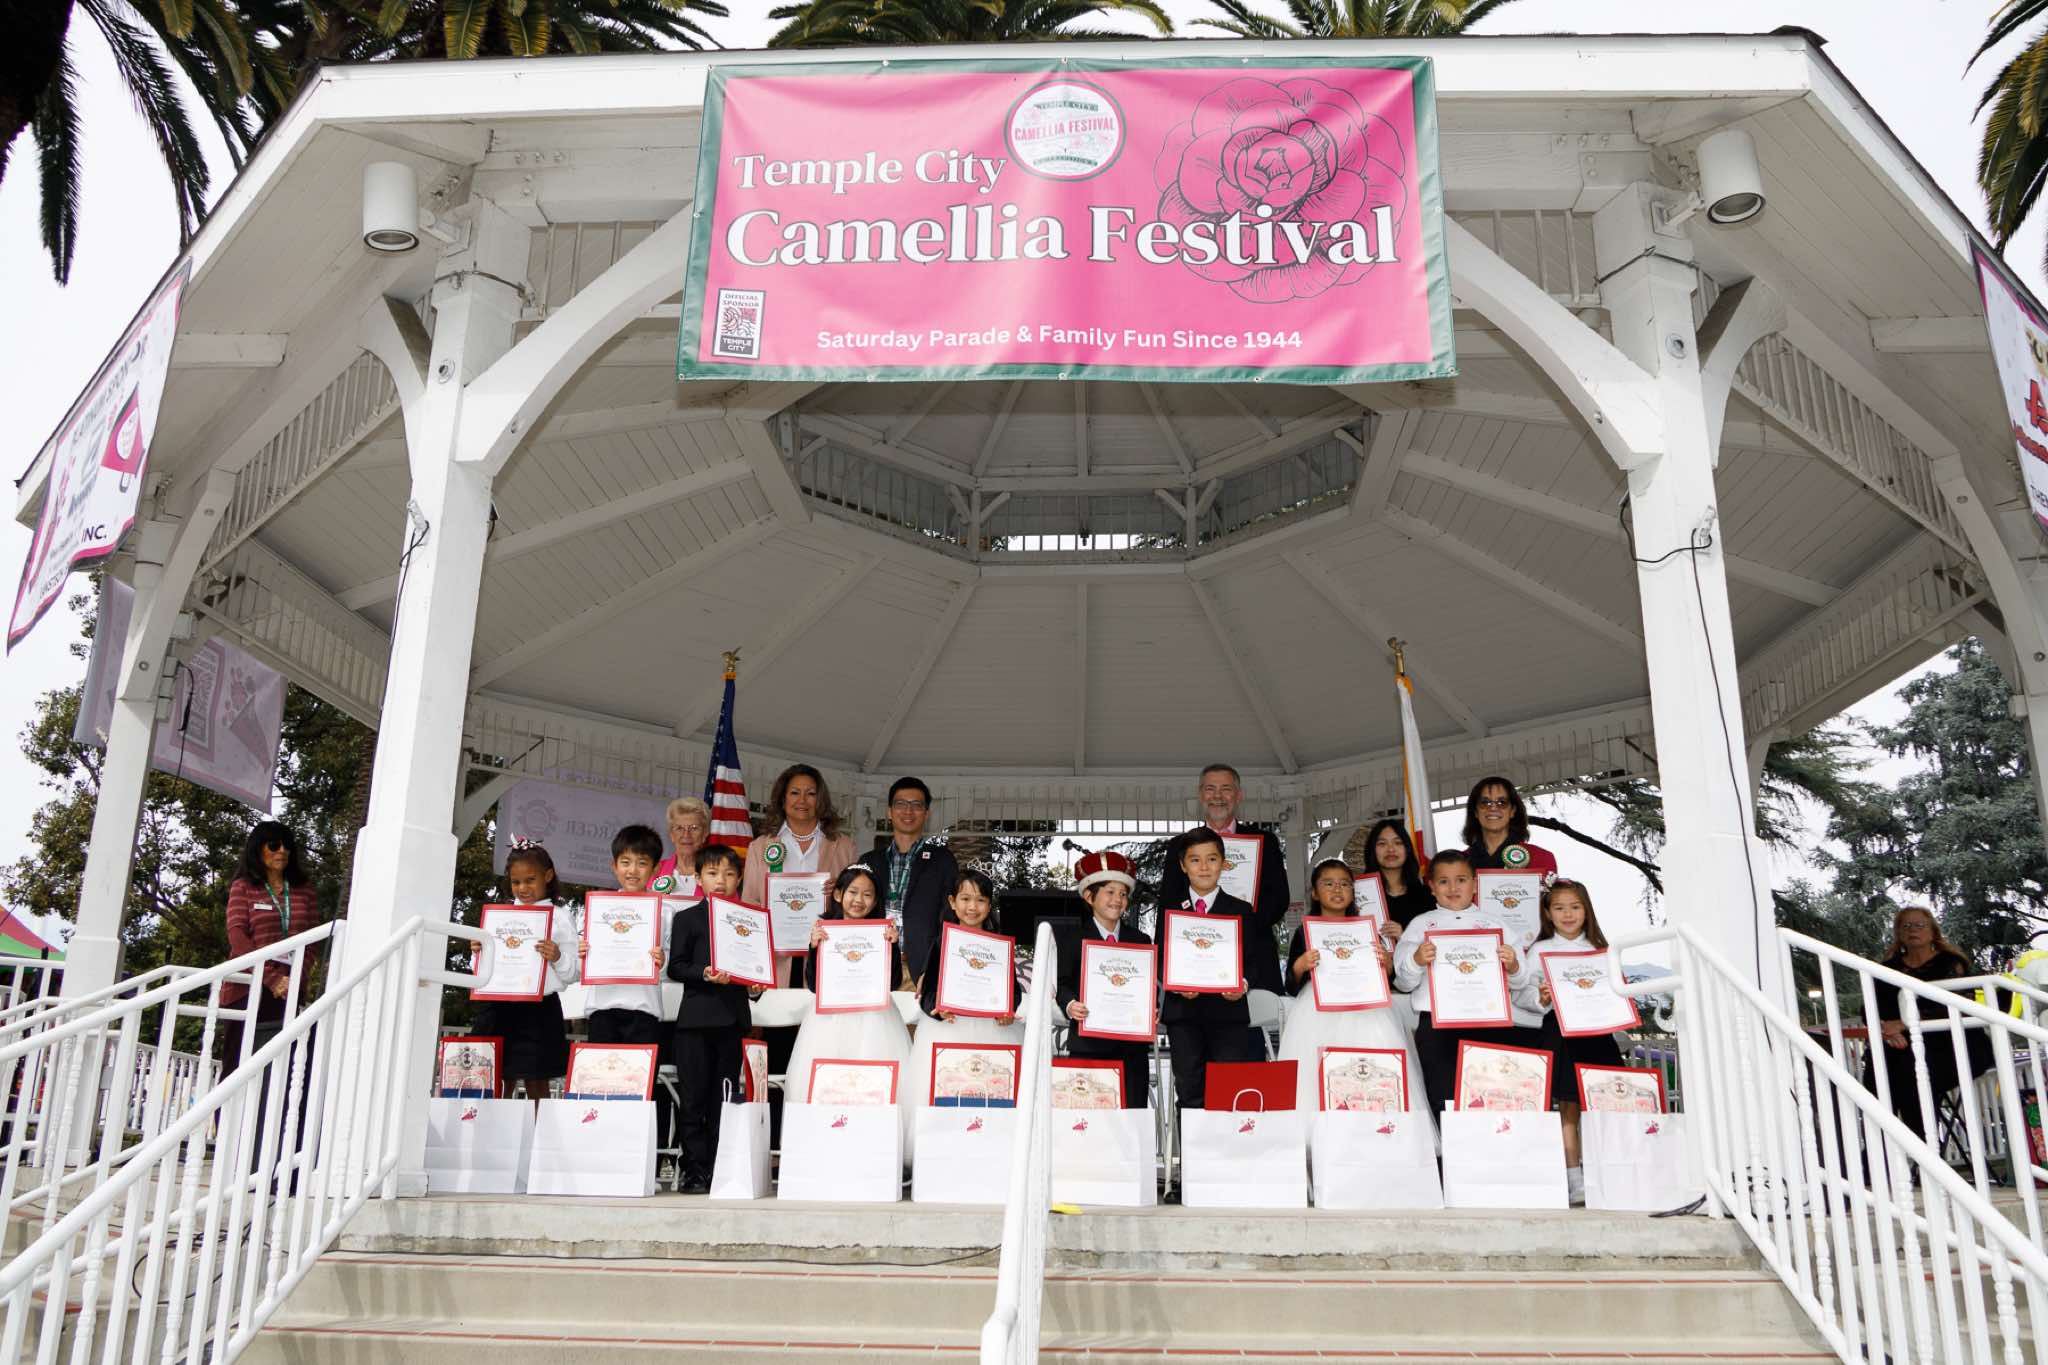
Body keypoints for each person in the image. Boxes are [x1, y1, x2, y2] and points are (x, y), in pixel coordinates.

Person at [1391, 849, 1536, 1120]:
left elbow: (1521, 982)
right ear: (1431, 887)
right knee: (1442, 1097)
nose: (1453, 888)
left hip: (1488, 1023)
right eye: (1443, 881)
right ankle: (1447, 1148)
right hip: (1437, 1026)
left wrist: (1513, 965)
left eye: (1461, 880)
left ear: (1474, 884)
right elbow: (1404, 983)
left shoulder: (1496, 925)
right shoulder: (1419, 926)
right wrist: (1416, 960)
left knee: (1489, 1096)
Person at [1277, 858, 1425, 1118]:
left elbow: (1388, 978)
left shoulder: (1366, 930)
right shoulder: (1304, 932)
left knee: (1371, 1072)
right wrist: (1301, 965)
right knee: (1316, 1077)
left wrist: (1387, 963)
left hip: (1367, 1010)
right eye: (1328, 883)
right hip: (1317, 1012)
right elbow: (1291, 984)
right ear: (1314, 892)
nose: (1337, 889)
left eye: (1345, 884)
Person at [1521, 878, 1626, 1201]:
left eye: (1575, 907)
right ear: (1547, 913)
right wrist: (1540, 997)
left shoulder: (1601, 950)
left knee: (1604, 1100)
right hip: (1560, 1032)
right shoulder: (1539, 950)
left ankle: (1608, 1171)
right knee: (1568, 1105)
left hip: (1597, 1033)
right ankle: (1573, 1177)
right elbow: (1525, 994)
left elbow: (1617, 991)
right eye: (1559, 908)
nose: (1568, 915)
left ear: (1586, 910)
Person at [665, 844, 761, 1193]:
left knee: (724, 1097)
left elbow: (756, 971)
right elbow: (676, 967)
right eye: (712, 873)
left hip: (731, 1022)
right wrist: (704, 973)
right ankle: (693, 1169)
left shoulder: (749, 920)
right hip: (694, 1021)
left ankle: (721, 1166)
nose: (721, 880)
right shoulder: (687, 918)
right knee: (692, 1098)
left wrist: (755, 986)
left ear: (739, 879)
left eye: (729, 874)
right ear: (698, 878)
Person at [905, 870, 1022, 1153]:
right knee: (948, 1089)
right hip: (948, 1029)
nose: (972, 907)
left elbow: (1013, 990)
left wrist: (1008, 1010)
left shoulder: (999, 945)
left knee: (987, 1091)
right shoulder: (941, 943)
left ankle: (986, 1150)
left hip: (991, 1032)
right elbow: (927, 993)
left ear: (989, 905)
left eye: (980, 900)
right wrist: (936, 1009)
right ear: (952, 902)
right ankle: (942, 1151)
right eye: (965, 899)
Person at [785, 864, 914, 1116]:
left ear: (875, 901)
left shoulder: (882, 933)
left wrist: (892, 946)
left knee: (873, 1082)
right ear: (838, 894)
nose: (859, 900)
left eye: (867, 894)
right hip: (829, 1019)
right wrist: (814, 946)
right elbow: (814, 986)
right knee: (827, 1081)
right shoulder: (824, 929)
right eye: (853, 892)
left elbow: (893, 984)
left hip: (875, 1018)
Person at [1865, 905, 1993, 1147]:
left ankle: (1923, 1149)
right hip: (1903, 1045)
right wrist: (1886, 1030)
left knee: (1912, 1072)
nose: (1912, 930)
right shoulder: (1888, 969)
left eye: (1919, 925)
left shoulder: (1951, 963)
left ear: (1933, 931)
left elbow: (1960, 1005)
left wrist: (1906, 1024)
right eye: (1906, 926)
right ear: (1898, 933)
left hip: (1953, 1044)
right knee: (1877, 1071)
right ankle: (1879, 1152)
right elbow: (1870, 1008)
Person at [1158, 764, 1289, 1000]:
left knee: (1256, 1024)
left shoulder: (1264, 841)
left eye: (1226, 789)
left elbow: (1278, 898)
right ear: (1200, 795)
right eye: (1210, 789)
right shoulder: (1179, 845)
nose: (1217, 796)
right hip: (1194, 958)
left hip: (1254, 957)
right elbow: (1169, 901)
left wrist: (1240, 927)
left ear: (1238, 795)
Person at [578, 825, 672, 1150]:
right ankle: (598, 1152)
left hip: (644, 1012)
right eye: (626, 862)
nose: (633, 870)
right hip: (603, 1010)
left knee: (640, 1088)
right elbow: (581, 964)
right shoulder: (598, 908)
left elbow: (670, 965)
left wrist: (662, 959)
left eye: (642, 863)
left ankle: (637, 1155)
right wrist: (583, 953)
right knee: (600, 1086)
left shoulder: (664, 910)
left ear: (655, 869)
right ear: (614, 866)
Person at [472, 839, 577, 1105]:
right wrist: (479, 951)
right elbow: (483, 974)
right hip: (499, 1006)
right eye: (516, 882)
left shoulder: (559, 916)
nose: (523, 888)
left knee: (536, 1079)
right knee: (495, 1076)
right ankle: (494, 1126)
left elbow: (572, 973)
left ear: (548, 876)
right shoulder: (500, 916)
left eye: (530, 880)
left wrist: (557, 956)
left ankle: (538, 1129)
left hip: (538, 1009)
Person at [1160, 828, 1254, 1119]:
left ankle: (1225, 1150)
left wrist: (1242, 984)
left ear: (1223, 863)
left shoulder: (1241, 910)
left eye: (1211, 859)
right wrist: (1174, 984)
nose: (1204, 867)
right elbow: (1161, 956)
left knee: (1228, 1093)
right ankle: (1190, 1150)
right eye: (1195, 860)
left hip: (1228, 1016)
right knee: (1189, 1092)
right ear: (1182, 865)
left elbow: (1254, 959)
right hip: (1184, 1016)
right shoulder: (1170, 909)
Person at [221, 821, 324, 1073]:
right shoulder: (243, 886)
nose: (282, 851)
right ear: (258, 849)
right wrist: (271, 978)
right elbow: (237, 937)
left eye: (287, 846)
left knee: (278, 1068)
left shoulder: (304, 889)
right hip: (247, 986)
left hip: (289, 988)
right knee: (237, 1065)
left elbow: (313, 938)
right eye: (274, 845)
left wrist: (296, 977)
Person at [1055, 851, 1154, 1110]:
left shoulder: (1141, 940)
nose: (1117, 900)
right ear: (1090, 896)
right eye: (1110, 892)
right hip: (1089, 1045)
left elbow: (1147, 986)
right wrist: (1070, 1005)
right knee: (1089, 1118)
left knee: (1132, 1116)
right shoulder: (1071, 938)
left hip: (1132, 1049)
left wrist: (1151, 1009)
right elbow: (1061, 984)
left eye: (1123, 894)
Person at [860, 777, 961, 987]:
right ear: (889, 812)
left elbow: (950, 918)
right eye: (901, 804)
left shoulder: (942, 860)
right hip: (872, 965)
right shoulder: (869, 861)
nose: (908, 811)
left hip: (922, 971)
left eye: (916, 805)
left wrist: (935, 969)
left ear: (926, 813)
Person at [1461, 775, 1559, 876]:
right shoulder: (1459, 863)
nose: (1493, 808)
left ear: (1512, 811)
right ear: (1475, 812)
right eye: (1485, 802)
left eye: (1502, 802)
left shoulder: (1542, 858)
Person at [1361, 817, 1432, 934]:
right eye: (1382, 843)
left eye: (1398, 843)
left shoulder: (1427, 896)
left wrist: (1404, 938)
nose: (1390, 849)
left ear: (1407, 849)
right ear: (1372, 850)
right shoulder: (1360, 896)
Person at [651, 796, 713, 897]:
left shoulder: (717, 875)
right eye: (679, 828)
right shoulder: (654, 870)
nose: (686, 835)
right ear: (671, 834)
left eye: (694, 828)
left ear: (705, 833)